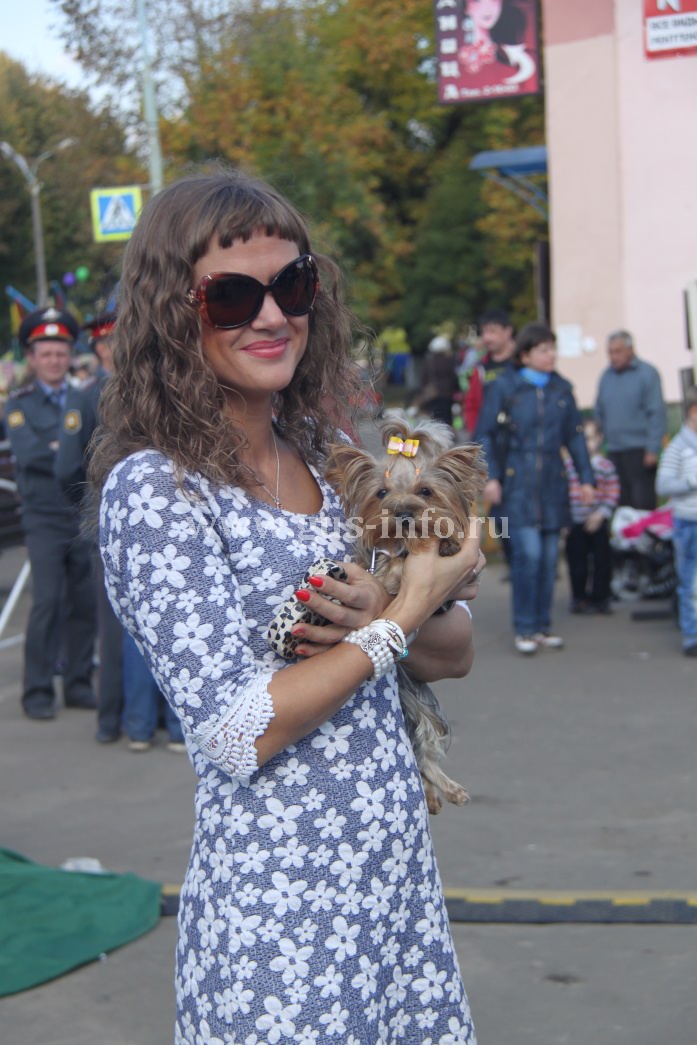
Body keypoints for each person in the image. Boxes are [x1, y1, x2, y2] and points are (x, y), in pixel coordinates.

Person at [91, 169, 481, 1042]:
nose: (271, 316)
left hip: (392, 889)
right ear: (171, 313)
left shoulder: (324, 450)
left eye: (292, 285)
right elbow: (237, 733)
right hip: (282, 912)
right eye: (232, 296)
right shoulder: (157, 490)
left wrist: (391, 609)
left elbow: (455, 652)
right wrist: (400, 613)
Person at [477, 321, 595, 654]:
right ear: (525, 355)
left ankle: (542, 627)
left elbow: (575, 437)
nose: (551, 355)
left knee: (548, 561)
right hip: (516, 485)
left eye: (552, 348)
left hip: (552, 486)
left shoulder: (562, 389)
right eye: (543, 349)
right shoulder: (505, 387)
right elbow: (484, 433)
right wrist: (491, 477)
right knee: (527, 556)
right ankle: (525, 627)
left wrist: (586, 479)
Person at [6, 307, 97, 719]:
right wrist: (65, 452)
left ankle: (77, 683)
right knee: (47, 602)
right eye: (46, 353)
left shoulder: (83, 398)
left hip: (79, 513)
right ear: (32, 357)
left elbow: (92, 449)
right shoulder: (19, 404)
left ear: (70, 355)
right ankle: (38, 691)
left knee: (84, 602)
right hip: (42, 516)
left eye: (61, 352)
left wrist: (62, 450)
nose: (54, 360)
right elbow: (31, 454)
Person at [55, 312, 126, 743]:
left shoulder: (96, 394)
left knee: (118, 622)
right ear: (100, 349)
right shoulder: (91, 397)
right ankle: (115, 717)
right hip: (108, 524)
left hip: (107, 522)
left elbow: (67, 468)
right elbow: (66, 469)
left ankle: (116, 719)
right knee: (116, 625)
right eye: (113, 342)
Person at [595, 330, 667, 510]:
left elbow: (656, 413)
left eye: (618, 351)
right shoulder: (606, 376)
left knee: (643, 504)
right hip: (613, 451)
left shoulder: (647, 373)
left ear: (630, 350)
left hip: (640, 451)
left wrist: (652, 449)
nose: (613, 356)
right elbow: (599, 411)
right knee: (621, 507)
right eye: (610, 352)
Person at [656, 385, 697, 657]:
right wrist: (691, 481)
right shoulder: (678, 448)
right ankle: (692, 635)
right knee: (691, 583)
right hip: (690, 523)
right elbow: (663, 485)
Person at [563, 419, 620, 615]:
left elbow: (613, 493)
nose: (585, 444)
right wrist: (565, 521)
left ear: (599, 439)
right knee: (577, 563)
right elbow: (562, 494)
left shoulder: (605, 465)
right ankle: (579, 598)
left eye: (589, 438)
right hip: (575, 522)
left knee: (602, 562)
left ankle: (601, 598)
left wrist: (601, 514)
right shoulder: (568, 466)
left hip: (597, 521)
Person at [466, 308, 515, 436]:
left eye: (492, 331)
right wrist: (476, 434)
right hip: (489, 437)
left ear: (508, 331)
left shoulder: (521, 364)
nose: (487, 338)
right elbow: (472, 405)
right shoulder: (480, 368)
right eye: (484, 332)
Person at [418, 334, 459, 425]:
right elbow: (453, 376)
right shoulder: (448, 360)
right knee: (446, 419)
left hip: (433, 394)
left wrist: (423, 390)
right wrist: (457, 389)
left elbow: (424, 378)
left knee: (435, 418)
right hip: (447, 393)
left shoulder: (429, 361)